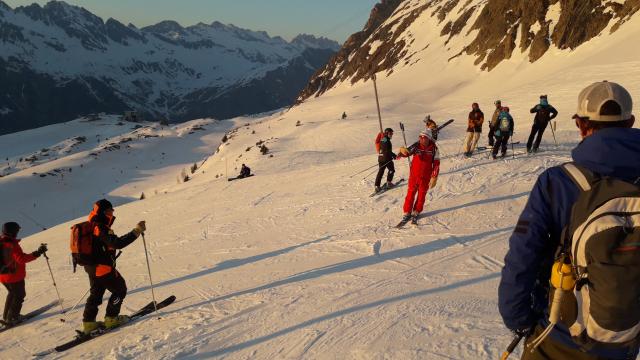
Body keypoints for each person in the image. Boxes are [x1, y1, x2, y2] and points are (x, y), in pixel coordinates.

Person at [499, 81, 640, 359]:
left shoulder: (557, 182)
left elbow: (522, 257)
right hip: (625, 337)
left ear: (582, 125)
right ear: (631, 121)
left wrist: (518, 318)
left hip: (561, 335)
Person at [81, 199, 146, 334]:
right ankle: (111, 318)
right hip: (102, 267)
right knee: (120, 290)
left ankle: (89, 323)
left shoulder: (92, 225)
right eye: (110, 210)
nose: (112, 212)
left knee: (96, 294)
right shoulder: (100, 227)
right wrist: (136, 231)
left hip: (91, 267)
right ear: (104, 212)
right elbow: (117, 243)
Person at [0, 222, 47, 326]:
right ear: (12, 232)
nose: (17, 233)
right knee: (19, 295)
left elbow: (15, 257)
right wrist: (37, 253)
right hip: (14, 276)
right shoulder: (11, 244)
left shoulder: (2, 242)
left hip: (3, 275)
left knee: (12, 293)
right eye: (17, 231)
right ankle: (12, 317)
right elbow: (21, 259)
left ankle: (7, 316)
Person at [397, 130, 440, 224]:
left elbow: (436, 164)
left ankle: (416, 211)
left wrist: (434, 177)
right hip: (414, 175)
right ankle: (407, 212)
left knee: (421, 195)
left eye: (424, 137)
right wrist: (402, 151)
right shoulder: (416, 146)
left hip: (425, 177)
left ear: (428, 138)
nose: (421, 139)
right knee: (410, 194)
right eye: (420, 137)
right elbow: (407, 153)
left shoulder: (434, 149)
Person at [374, 128, 397, 193]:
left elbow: (384, 149)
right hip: (386, 158)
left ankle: (377, 186)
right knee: (391, 170)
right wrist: (394, 155)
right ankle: (388, 183)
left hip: (381, 158)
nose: (391, 135)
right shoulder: (386, 140)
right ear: (387, 133)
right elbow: (387, 150)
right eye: (390, 133)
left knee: (381, 171)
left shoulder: (383, 139)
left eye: (392, 133)